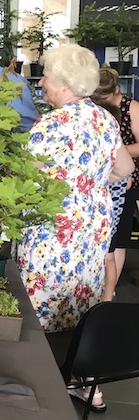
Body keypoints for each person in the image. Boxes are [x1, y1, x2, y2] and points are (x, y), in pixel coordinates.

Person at [16, 45, 133, 338]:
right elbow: (125, 168)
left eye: (46, 76)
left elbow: (23, 176)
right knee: (81, 303)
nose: (41, 82)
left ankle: (44, 361)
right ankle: (80, 362)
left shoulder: (50, 124)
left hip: (54, 230)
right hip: (91, 228)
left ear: (65, 84)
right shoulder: (104, 118)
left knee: (42, 310)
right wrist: (90, 182)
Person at [91, 66, 139, 300]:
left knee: (118, 238)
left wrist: (115, 152)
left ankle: (110, 289)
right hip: (98, 178)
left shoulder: (131, 108)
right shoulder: (94, 108)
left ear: (116, 90)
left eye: (103, 97)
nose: (99, 101)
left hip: (125, 177)